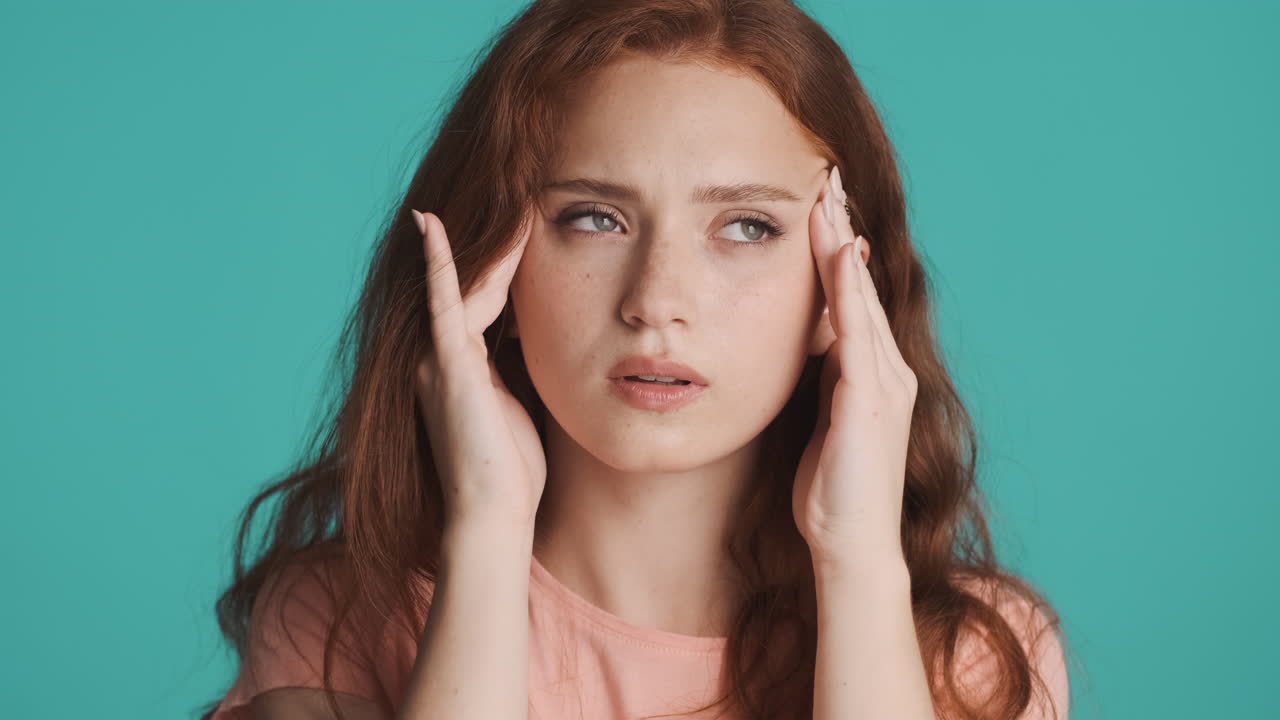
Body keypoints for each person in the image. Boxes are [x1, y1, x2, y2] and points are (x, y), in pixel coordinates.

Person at [200, 1, 1072, 719]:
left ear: (841, 289)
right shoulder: (337, 625)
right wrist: (488, 537)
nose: (656, 300)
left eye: (746, 227)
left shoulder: (978, 657)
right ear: (493, 266)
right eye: (594, 217)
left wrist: (857, 564)